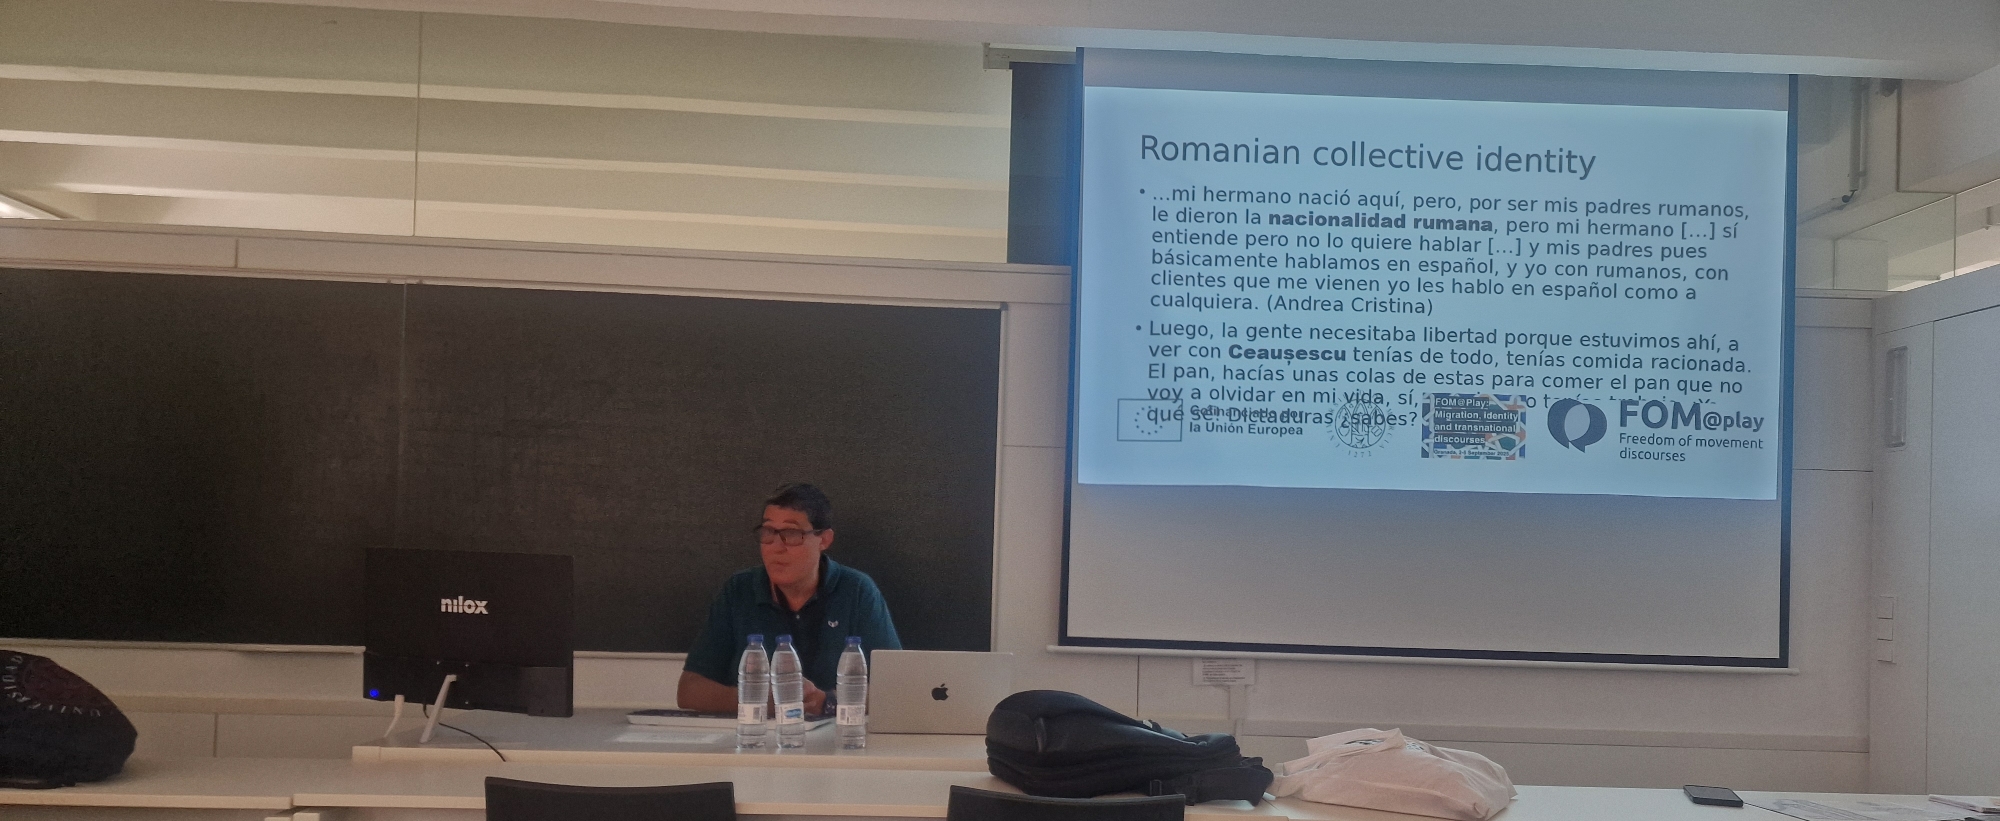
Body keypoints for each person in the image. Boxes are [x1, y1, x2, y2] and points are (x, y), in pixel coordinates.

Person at [677, 483, 901, 715]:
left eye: (791, 534)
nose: (776, 547)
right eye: (768, 532)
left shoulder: (856, 590)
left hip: (837, 731)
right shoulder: (739, 590)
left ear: (824, 539)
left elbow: (897, 689)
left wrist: (829, 702)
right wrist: (759, 700)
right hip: (758, 731)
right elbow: (689, 691)